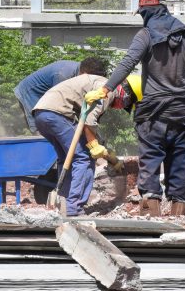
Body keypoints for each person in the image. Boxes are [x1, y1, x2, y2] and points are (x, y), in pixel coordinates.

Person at [85, 0, 185, 217]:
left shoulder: (145, 35)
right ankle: (178, 213)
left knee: (151, 161)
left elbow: (128, 63)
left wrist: (106, 89)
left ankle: (151, 213)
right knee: (178, 161)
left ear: (147, 9)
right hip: (181, 111)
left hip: (154, 112)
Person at [32, 71, 140, 217]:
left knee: (67, 159)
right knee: (83, 157)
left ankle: (63, 203)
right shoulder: (108, 90)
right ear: (127, 94)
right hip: (58, 113)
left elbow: (90, 130)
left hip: (42, 113)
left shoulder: (101, 85)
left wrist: (111, 158)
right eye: (126, 104)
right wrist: (94, 147)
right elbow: (89, 122)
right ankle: (74, 208)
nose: (120, 108)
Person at [14, 57, 108, 132]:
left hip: (46, 93)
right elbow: (60, 104)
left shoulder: (81, 73)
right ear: (84, 73)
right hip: (31, 92)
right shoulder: (63, 75)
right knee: (41, 126)